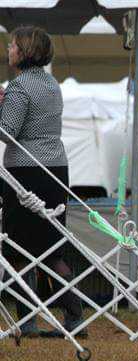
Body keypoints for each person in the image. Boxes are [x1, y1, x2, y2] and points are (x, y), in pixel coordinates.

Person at [0, 26, 86, 338]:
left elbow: (7, 131)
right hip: (56, 168)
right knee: (52, 248)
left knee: (20, 248)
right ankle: (75, 315)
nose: (8, 51)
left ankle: (27, 320)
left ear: (24, 51)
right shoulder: (52, 84)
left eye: (12, 46)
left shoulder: (19, 86)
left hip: (26, 171)